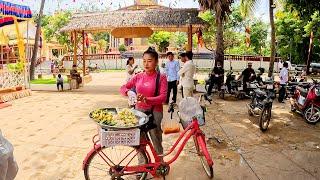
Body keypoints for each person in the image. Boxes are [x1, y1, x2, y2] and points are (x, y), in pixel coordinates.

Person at [120, 47, 167, 156]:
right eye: (144, 61)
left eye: (149, 61)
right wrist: (128, 92)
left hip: (155, 112)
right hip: (139, 112)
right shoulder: (138, 76)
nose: (146, 64)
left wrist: (147, 99)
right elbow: (123, 87)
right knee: (140, 141)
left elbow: (163, 97)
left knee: (156, 139)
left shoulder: (161, 77)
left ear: (156, 62)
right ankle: (142, 165)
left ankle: (159, 165)